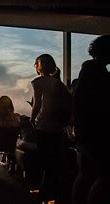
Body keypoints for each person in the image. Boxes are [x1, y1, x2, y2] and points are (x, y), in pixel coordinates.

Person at [72, 35, 110, 204]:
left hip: (85, 131)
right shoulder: (97, 72)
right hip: (94, 132)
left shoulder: (88, 70)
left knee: (85, 175)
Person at [30, 54, 71, 203]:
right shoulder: (58, 83)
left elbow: (37, 104)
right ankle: (52, 191)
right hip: (58, 127)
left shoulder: (37, 82)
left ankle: (44, 193)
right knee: (54, 160)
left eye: (36, 63)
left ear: (39, 65)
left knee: (45, 159)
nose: (35, 66)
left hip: (44, 126)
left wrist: (31, 118)